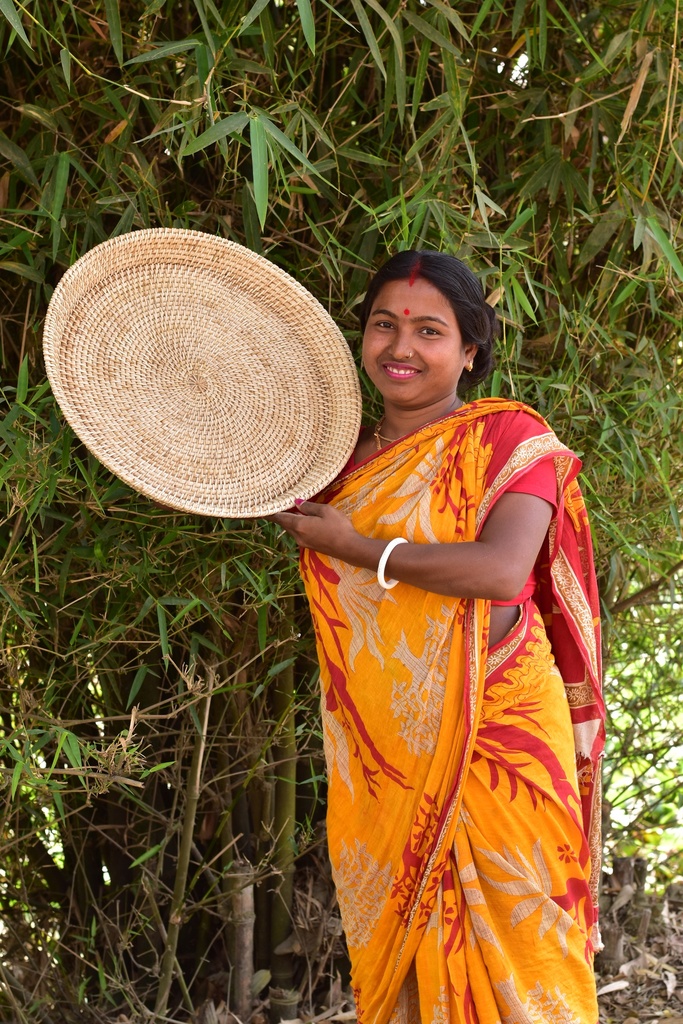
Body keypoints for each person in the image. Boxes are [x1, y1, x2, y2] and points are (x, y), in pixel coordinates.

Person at [272, 250, 604, 1024]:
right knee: (410, 961)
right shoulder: (336, 463)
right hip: (385, 750)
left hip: (499, 737)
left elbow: (498, 570)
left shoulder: (509, 439)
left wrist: (360, 548)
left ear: (469, 351)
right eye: (383, 325)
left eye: (429, 330)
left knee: (524, 961)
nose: (401, 347)